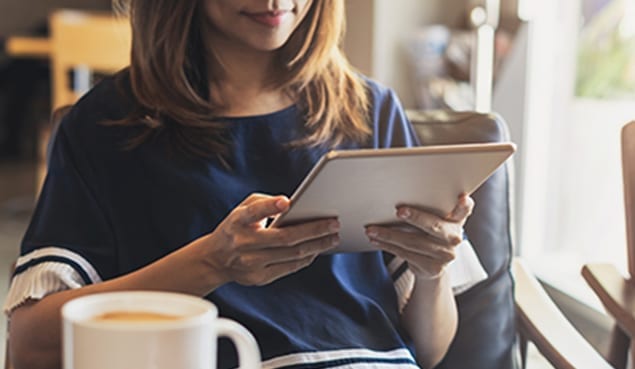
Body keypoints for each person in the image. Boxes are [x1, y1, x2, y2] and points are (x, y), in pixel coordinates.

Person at [3, 1, 488, 369]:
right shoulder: (107, 128)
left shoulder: (371, 110)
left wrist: (432, 271)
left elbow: (429, 350)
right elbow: (29, 345)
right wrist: (212, 263)